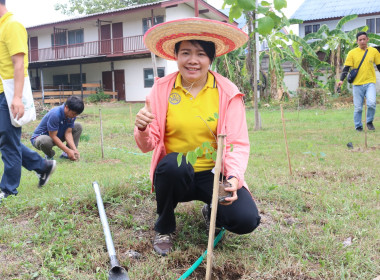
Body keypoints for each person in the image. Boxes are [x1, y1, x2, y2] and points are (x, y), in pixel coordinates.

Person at [134, 18, 261, 256]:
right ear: (176, 57)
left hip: (214, 175)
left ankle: (212, 210)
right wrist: (141, 129)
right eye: (186, 53)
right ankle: (164, 227)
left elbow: (236, 143)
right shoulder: (161, 89)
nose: (193, 60)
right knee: (174, 163)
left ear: (210, 59)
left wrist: (233, 178)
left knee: (246, 219)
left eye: (201, 54)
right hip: (176, 173)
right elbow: (147, 144)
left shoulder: (227, 93)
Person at [0, 0, 56, 203]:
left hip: (8, 94)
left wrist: (16, 97)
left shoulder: (12, 24)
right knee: (7, 141)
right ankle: (43, 166)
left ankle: (8, 190)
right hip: (1, 93)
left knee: (8, 142)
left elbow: (19, 63)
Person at [337, 31, 380, 131]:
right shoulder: (352, 53)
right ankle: (358, 126)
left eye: (364, 39)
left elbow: (379, 66)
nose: (362, 41)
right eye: (360, 40)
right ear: (357, 41)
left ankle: (369, 122)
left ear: (367, 40)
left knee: (372, 103)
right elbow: (346, 68)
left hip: (370, 83)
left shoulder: (374, 51)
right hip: (357, 84)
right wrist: (341, 80)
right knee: (358, 108)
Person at [31, 96, 84, 161]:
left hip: (57, 135)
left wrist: (74, 150)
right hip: (41, 138)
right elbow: (53, 136)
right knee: (44, 140)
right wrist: (68, 150)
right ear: (67, 107)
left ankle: (67, 154)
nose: (74, 116)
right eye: (73, 114)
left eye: (76, 114)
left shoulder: (71, 115)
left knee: (77, 126)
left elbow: (68, 133)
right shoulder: (55, 114)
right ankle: (49, 155)